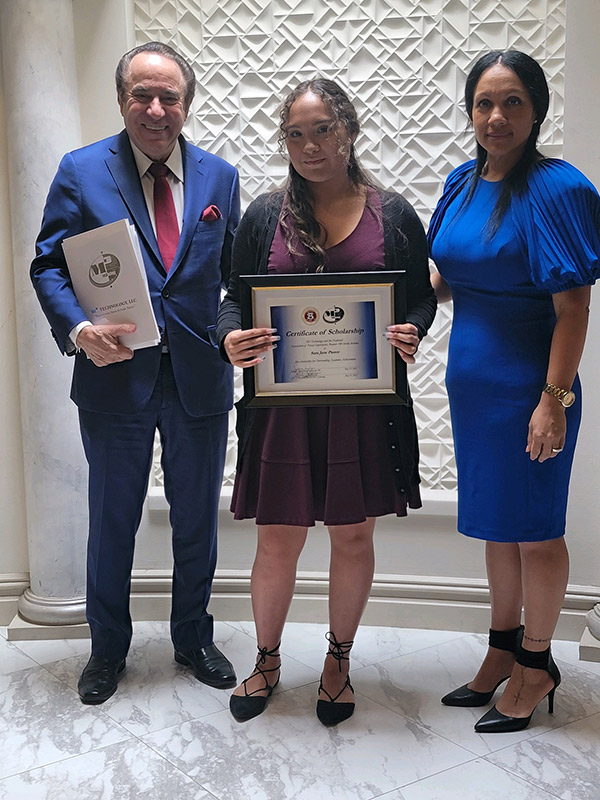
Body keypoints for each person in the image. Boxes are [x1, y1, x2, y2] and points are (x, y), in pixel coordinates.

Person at [216, 78, 436, 725]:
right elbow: (232, 297)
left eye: (323, 129)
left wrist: (412, 328)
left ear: (349, 129)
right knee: (276, 540)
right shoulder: (263, 215)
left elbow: (419, 295)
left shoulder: (392, 214)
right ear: (284, 140)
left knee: (353, 535)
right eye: (296, 133)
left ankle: (337, 660)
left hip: (362, 411)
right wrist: (230, 335)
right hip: (281, 412)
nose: (309, 145)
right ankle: (267, 660)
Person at [31, 42, 240, 704]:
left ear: (187, 102)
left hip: (200, 380)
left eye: (168, 96)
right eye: (141, 95)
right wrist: (77, 329)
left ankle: (193, 637)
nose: (155, 109)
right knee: (112, 517)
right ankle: (107, 650)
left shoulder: (221, 178)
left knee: (196, 522)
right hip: (114, 375)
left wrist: (233, 331)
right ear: (122, 99)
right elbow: (48, 264)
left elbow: (233, 278)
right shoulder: (81, 170)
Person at [428, 50, 600, 733]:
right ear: (470, 111)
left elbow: (574, 309)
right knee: (498, 528)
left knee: (536, 532)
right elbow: (449, 279)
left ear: (536, 110)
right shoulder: (461, 182)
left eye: (513, 103)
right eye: (483, 103)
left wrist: (551, 402)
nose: (496, 117)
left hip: (532, 390)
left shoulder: (557, 190)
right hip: (471, 388)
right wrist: (395, 310)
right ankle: (501, 650)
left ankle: (537, 664)